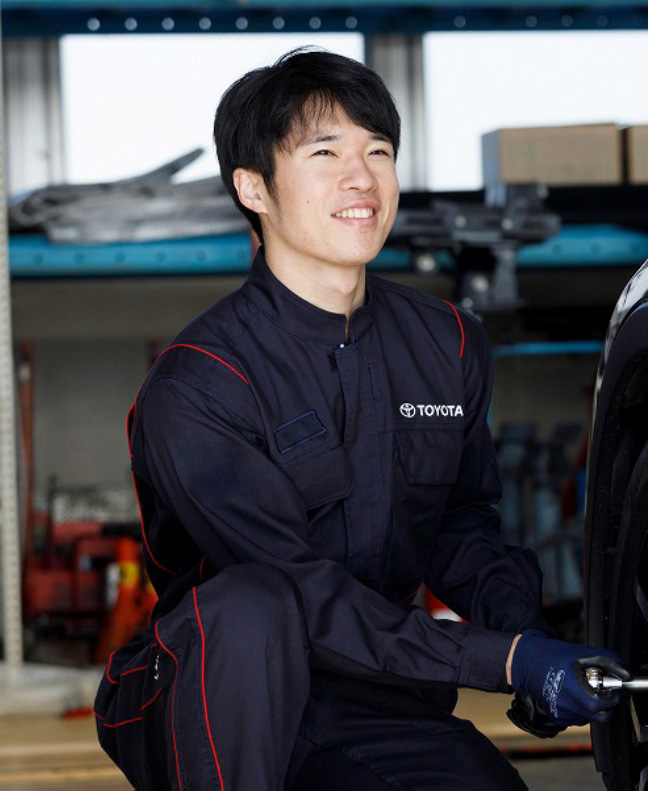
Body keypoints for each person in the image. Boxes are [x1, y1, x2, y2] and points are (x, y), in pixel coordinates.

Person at [95, 48, 629, 791]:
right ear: (254, 187)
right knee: (254, 606)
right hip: (218, 690)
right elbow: (300, 591)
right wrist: (502, 662)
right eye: (325, 153)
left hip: (374, 689)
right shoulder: (202, 380)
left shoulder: (447, 341)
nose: (362, 179)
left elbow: (462, 526)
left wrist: (527, 637)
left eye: (378, 151)